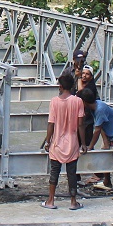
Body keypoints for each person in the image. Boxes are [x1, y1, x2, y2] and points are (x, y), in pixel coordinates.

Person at [42, 72, 85, 211]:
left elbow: (51, 124)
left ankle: (50, 200)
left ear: (60, 86)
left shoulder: (54, 101)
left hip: (57, 143)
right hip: (72, 142)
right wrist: (83, 143)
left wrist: (47, 141)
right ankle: (73, 202)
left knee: (54, 172)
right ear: (72, 86)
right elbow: (80, 125)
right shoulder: (78, 101)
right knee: (72, 173)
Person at [79, 87, 113, 200]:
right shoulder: (93, 107)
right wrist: (105, 140)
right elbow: (100, 124)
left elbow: (96, 130)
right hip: (109, 132)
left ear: (84, 102)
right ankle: (107, 182)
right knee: (103, 155)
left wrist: (90, 146)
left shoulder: (100, 109)